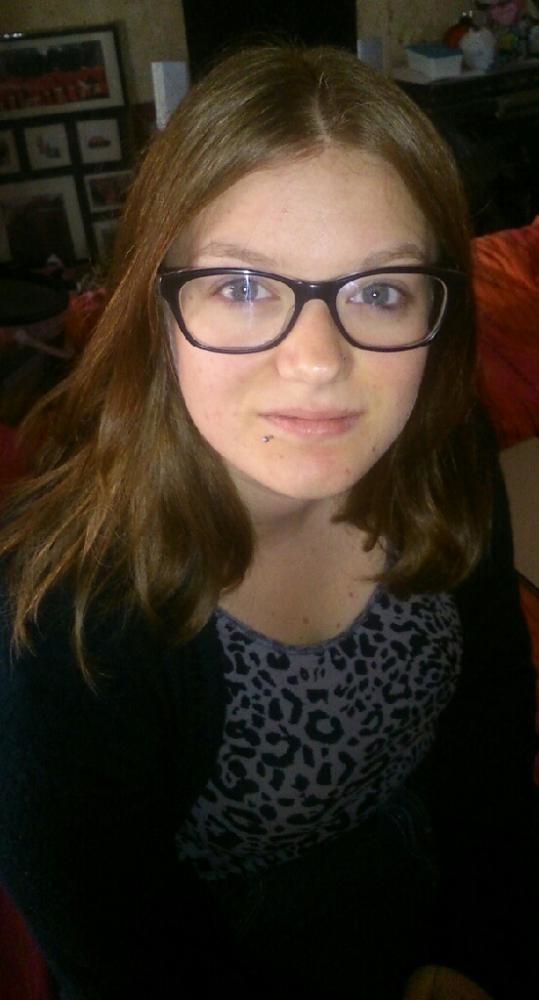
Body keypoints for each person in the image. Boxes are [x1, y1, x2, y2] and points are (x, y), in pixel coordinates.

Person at [0, 45, 537, 1000]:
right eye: (243, 287)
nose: (318, 360)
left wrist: (471, 950)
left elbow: (487, 744)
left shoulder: (443, 455)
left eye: (379, 291)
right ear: (155, 308)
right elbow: (117, 950)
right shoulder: (63, 617)